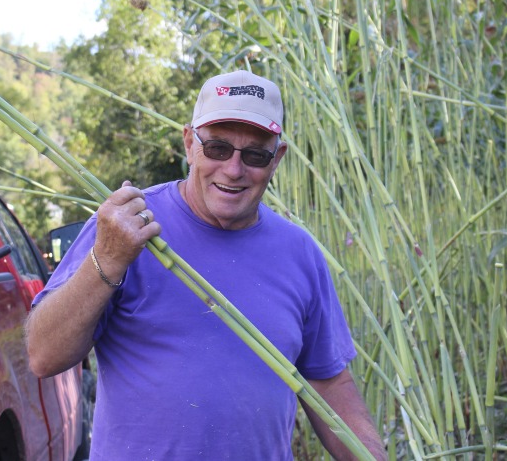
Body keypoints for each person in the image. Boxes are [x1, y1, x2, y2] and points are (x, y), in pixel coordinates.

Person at [26, 70, 386, 460]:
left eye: (255, 155)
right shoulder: (125, 227)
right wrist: (109, 260)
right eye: (217, 148)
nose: (233, 170)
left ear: (277, 158)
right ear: (189, 143)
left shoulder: (299, 252)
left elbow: (329, 383)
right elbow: (44, 355)